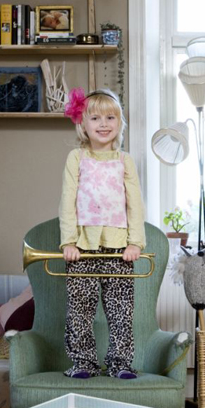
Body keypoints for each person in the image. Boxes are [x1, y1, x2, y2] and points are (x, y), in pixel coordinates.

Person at [59, 88, 145, 379]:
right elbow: (67, 201)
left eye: (110, 117)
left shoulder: (125, 160)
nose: (103, 124)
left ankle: (120, 363)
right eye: (95, 118)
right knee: (79, 310)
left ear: (120, 123)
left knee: (121, 311)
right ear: (83, 123)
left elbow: (135, 204)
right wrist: (69, 242)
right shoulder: (76, 158)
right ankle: (83, 362)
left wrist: (135, 243)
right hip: (82, 247)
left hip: (119, 248)